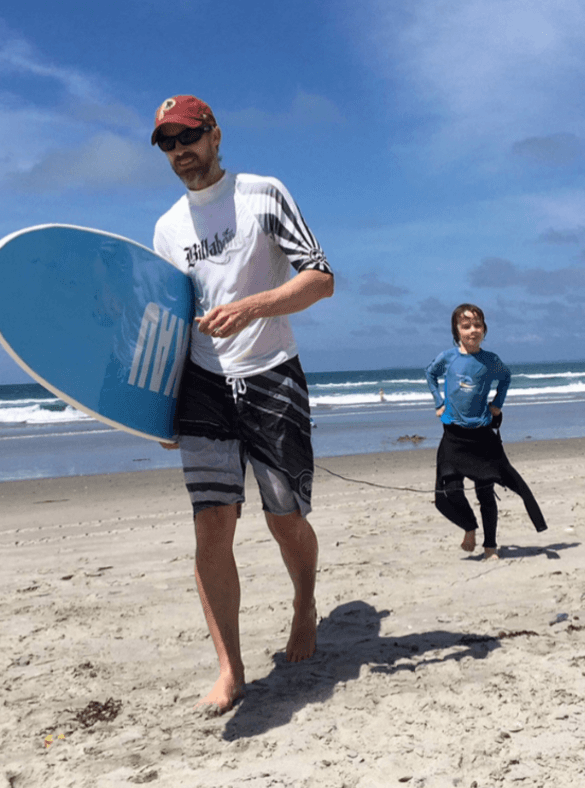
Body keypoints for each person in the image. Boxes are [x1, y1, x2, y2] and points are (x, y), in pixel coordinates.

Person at [151, 95, 334, 714]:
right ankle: (230, 668)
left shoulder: (263, 194)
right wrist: (157, 403)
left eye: (189, 137)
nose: (181, 151)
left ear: (215, 134)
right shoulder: (167, 228)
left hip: (270, 373)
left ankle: (304, 601)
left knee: (284, 516)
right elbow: (168, 324)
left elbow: (321, 277)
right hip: (200, 385)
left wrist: (252, 307)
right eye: (168, 144)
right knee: (211, 529)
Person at [425, 304, 547, 560]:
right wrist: (438, 401)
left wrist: (497, 405)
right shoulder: (447, 358)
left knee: (485, 493)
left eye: (477, 325)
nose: (473, 330)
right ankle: (469, 526)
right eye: (466, 325)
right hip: (453, 437)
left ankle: (490, 546)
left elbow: (506, 378)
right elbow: (430, 373)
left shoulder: (490, 360)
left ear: (484, 329)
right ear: (456, 330)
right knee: (450, 491)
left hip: (481, 436)